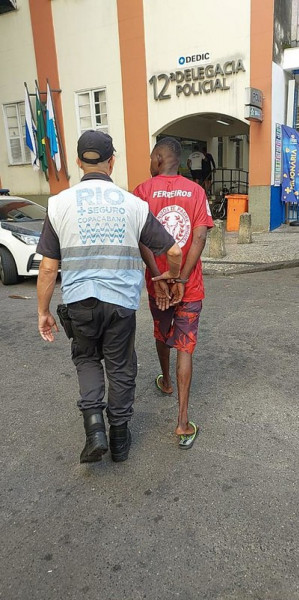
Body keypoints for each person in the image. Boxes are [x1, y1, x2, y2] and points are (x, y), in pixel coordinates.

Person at [36, 130, 182, 465]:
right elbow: (172, 249)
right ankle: (119, 438)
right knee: (120, 366)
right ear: (111, 161)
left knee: (86, 359)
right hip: (120, 304)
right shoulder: (133, 205)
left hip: (79, 303)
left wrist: (43, 311)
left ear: (77, 162)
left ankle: (94, 430)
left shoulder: (58, 204)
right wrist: (169, 276)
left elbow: (47, 268)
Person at [134, 137, 214, 449]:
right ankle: (182, 423)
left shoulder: (142, 191)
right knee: (186, 347)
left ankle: (166, 381)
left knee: (160, 330)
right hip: (188, 285)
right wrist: (180, 279)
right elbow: (199, 237)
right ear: (178, 160)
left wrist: (159, 276)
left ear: (158, 158)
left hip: (158, 286)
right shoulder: (196, 191)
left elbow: (142, 239)